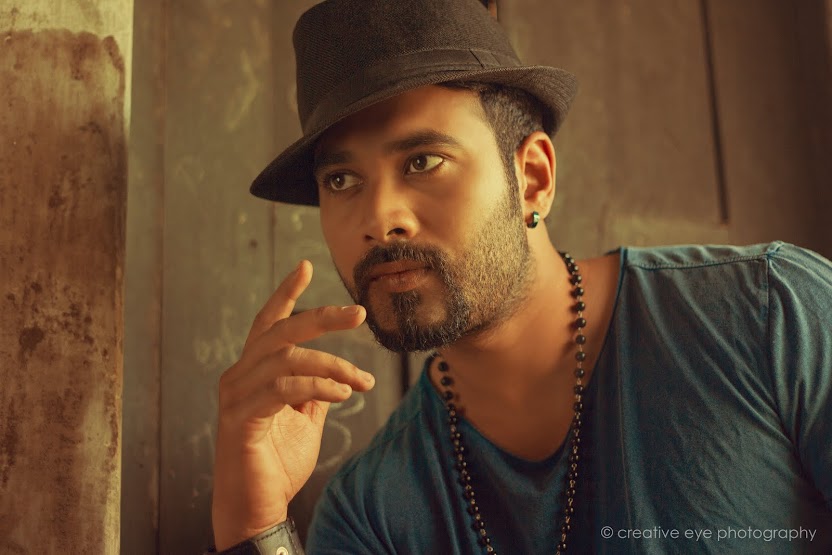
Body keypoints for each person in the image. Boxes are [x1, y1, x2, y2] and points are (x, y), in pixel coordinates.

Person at [208, 0, 832, 553]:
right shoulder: (372, 515)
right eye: (342, 180)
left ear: (532, 177)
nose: (379, 219)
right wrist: (254, 524)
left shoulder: (772, 314)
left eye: (423, 161)